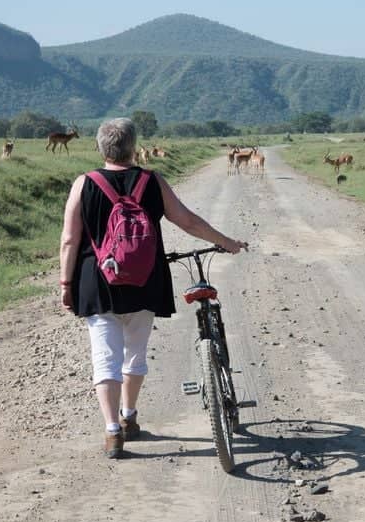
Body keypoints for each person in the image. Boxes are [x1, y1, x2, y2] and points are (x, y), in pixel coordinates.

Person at [59, 118, 246, 459]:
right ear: (133, 147)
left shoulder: (83, 184)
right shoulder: (151, 180)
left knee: (105, 358)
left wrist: (66, 283)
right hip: (145, 279)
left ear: (100, 147)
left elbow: (70, 239)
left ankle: (113, 432)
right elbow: (187, 221)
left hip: (97, 282)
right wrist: (227, 242)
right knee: (135, 354)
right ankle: (129, 417)